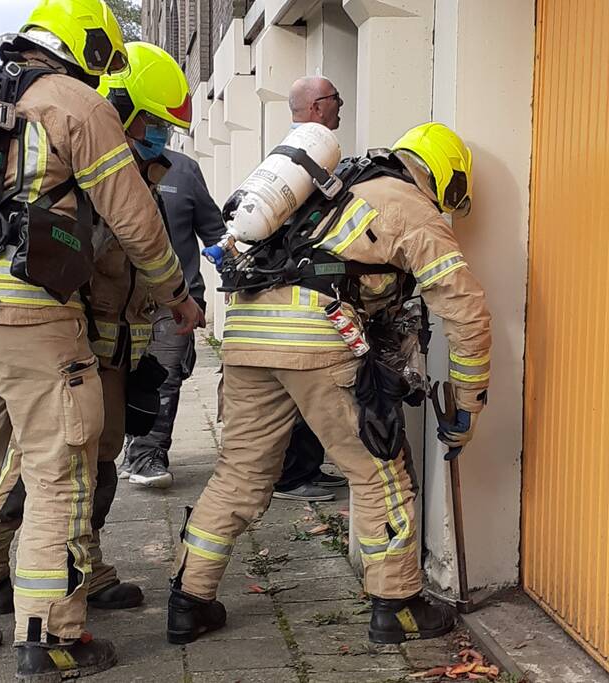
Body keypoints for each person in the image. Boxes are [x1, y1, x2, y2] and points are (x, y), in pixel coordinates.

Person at [0, 2, 203, 679]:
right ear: (87, 46)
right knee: (59, 474)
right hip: (33, 312)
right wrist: (177, 297)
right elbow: (135, 220)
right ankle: (50, 638)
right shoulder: (74, 102)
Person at [166, 122, 491, 646]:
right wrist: (470, 399)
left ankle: (188, 600)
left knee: (241, 472)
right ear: (442, 176)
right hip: (313, 333)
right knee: (379, 472)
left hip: (247, 331)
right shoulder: (409, 204)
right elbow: (465, 308)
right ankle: (398, 607)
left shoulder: (330, 190)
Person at [0, 41, 197, 621]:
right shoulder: (82, 170)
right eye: (152, 124)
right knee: (38, 467)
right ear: (122, 108)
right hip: (72, 344)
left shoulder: (141, 171)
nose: (160, 137)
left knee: (99, 462)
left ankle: (85, 569)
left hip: (114, 349)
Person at [121, 145, 226, 488]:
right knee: (115, 376)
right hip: (118, 298)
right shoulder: (109, 158)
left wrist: (235, 273)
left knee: (163, 375)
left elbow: (215, 231)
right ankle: (123, 445)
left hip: (176, 300)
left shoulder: (184, 169)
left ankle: (148, 455)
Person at [270, 75, 349, 502]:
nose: (341, 105)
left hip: (290, 286)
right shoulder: (309, 155)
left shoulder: (293, 152)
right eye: (336, 99)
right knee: (307, 384)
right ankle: (294, 475)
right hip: (301, 289)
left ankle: (304, 469)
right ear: (317, 106)